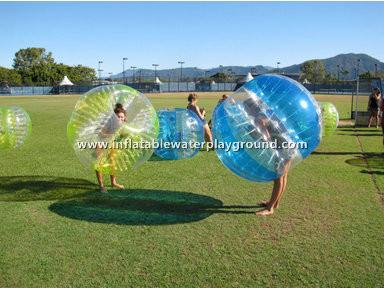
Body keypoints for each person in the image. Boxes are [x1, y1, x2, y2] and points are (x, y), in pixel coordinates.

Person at [95, 103, 126, 193]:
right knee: (99, 164)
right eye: (118, 117)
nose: (120, 119)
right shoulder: (108, 123)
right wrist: (111, 135)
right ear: (114, 118)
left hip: (111, 143)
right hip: (100, 142)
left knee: (113, 163)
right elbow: (100, 133)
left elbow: (122, 135)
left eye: (122, 117)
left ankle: (114, 182)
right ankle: (101, 185)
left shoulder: (123, 125)